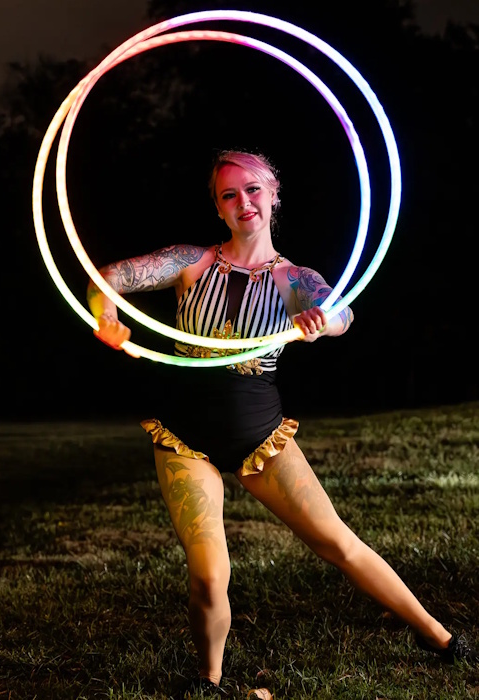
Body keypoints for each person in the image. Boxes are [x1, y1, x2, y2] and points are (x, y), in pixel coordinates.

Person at [87, 150, 476, 697]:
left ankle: (437, 634)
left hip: (259, 435)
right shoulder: (190, 261)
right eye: (228, 194)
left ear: (273, 195)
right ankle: (209, 680)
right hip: (185, 439)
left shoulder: (295, 279)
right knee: (209, 574)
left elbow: (341, 314)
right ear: (218, 207)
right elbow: (108, 277)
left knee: (338, 543)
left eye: (253, 189)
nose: (243, 202)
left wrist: (321, 322)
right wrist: (105, 316)